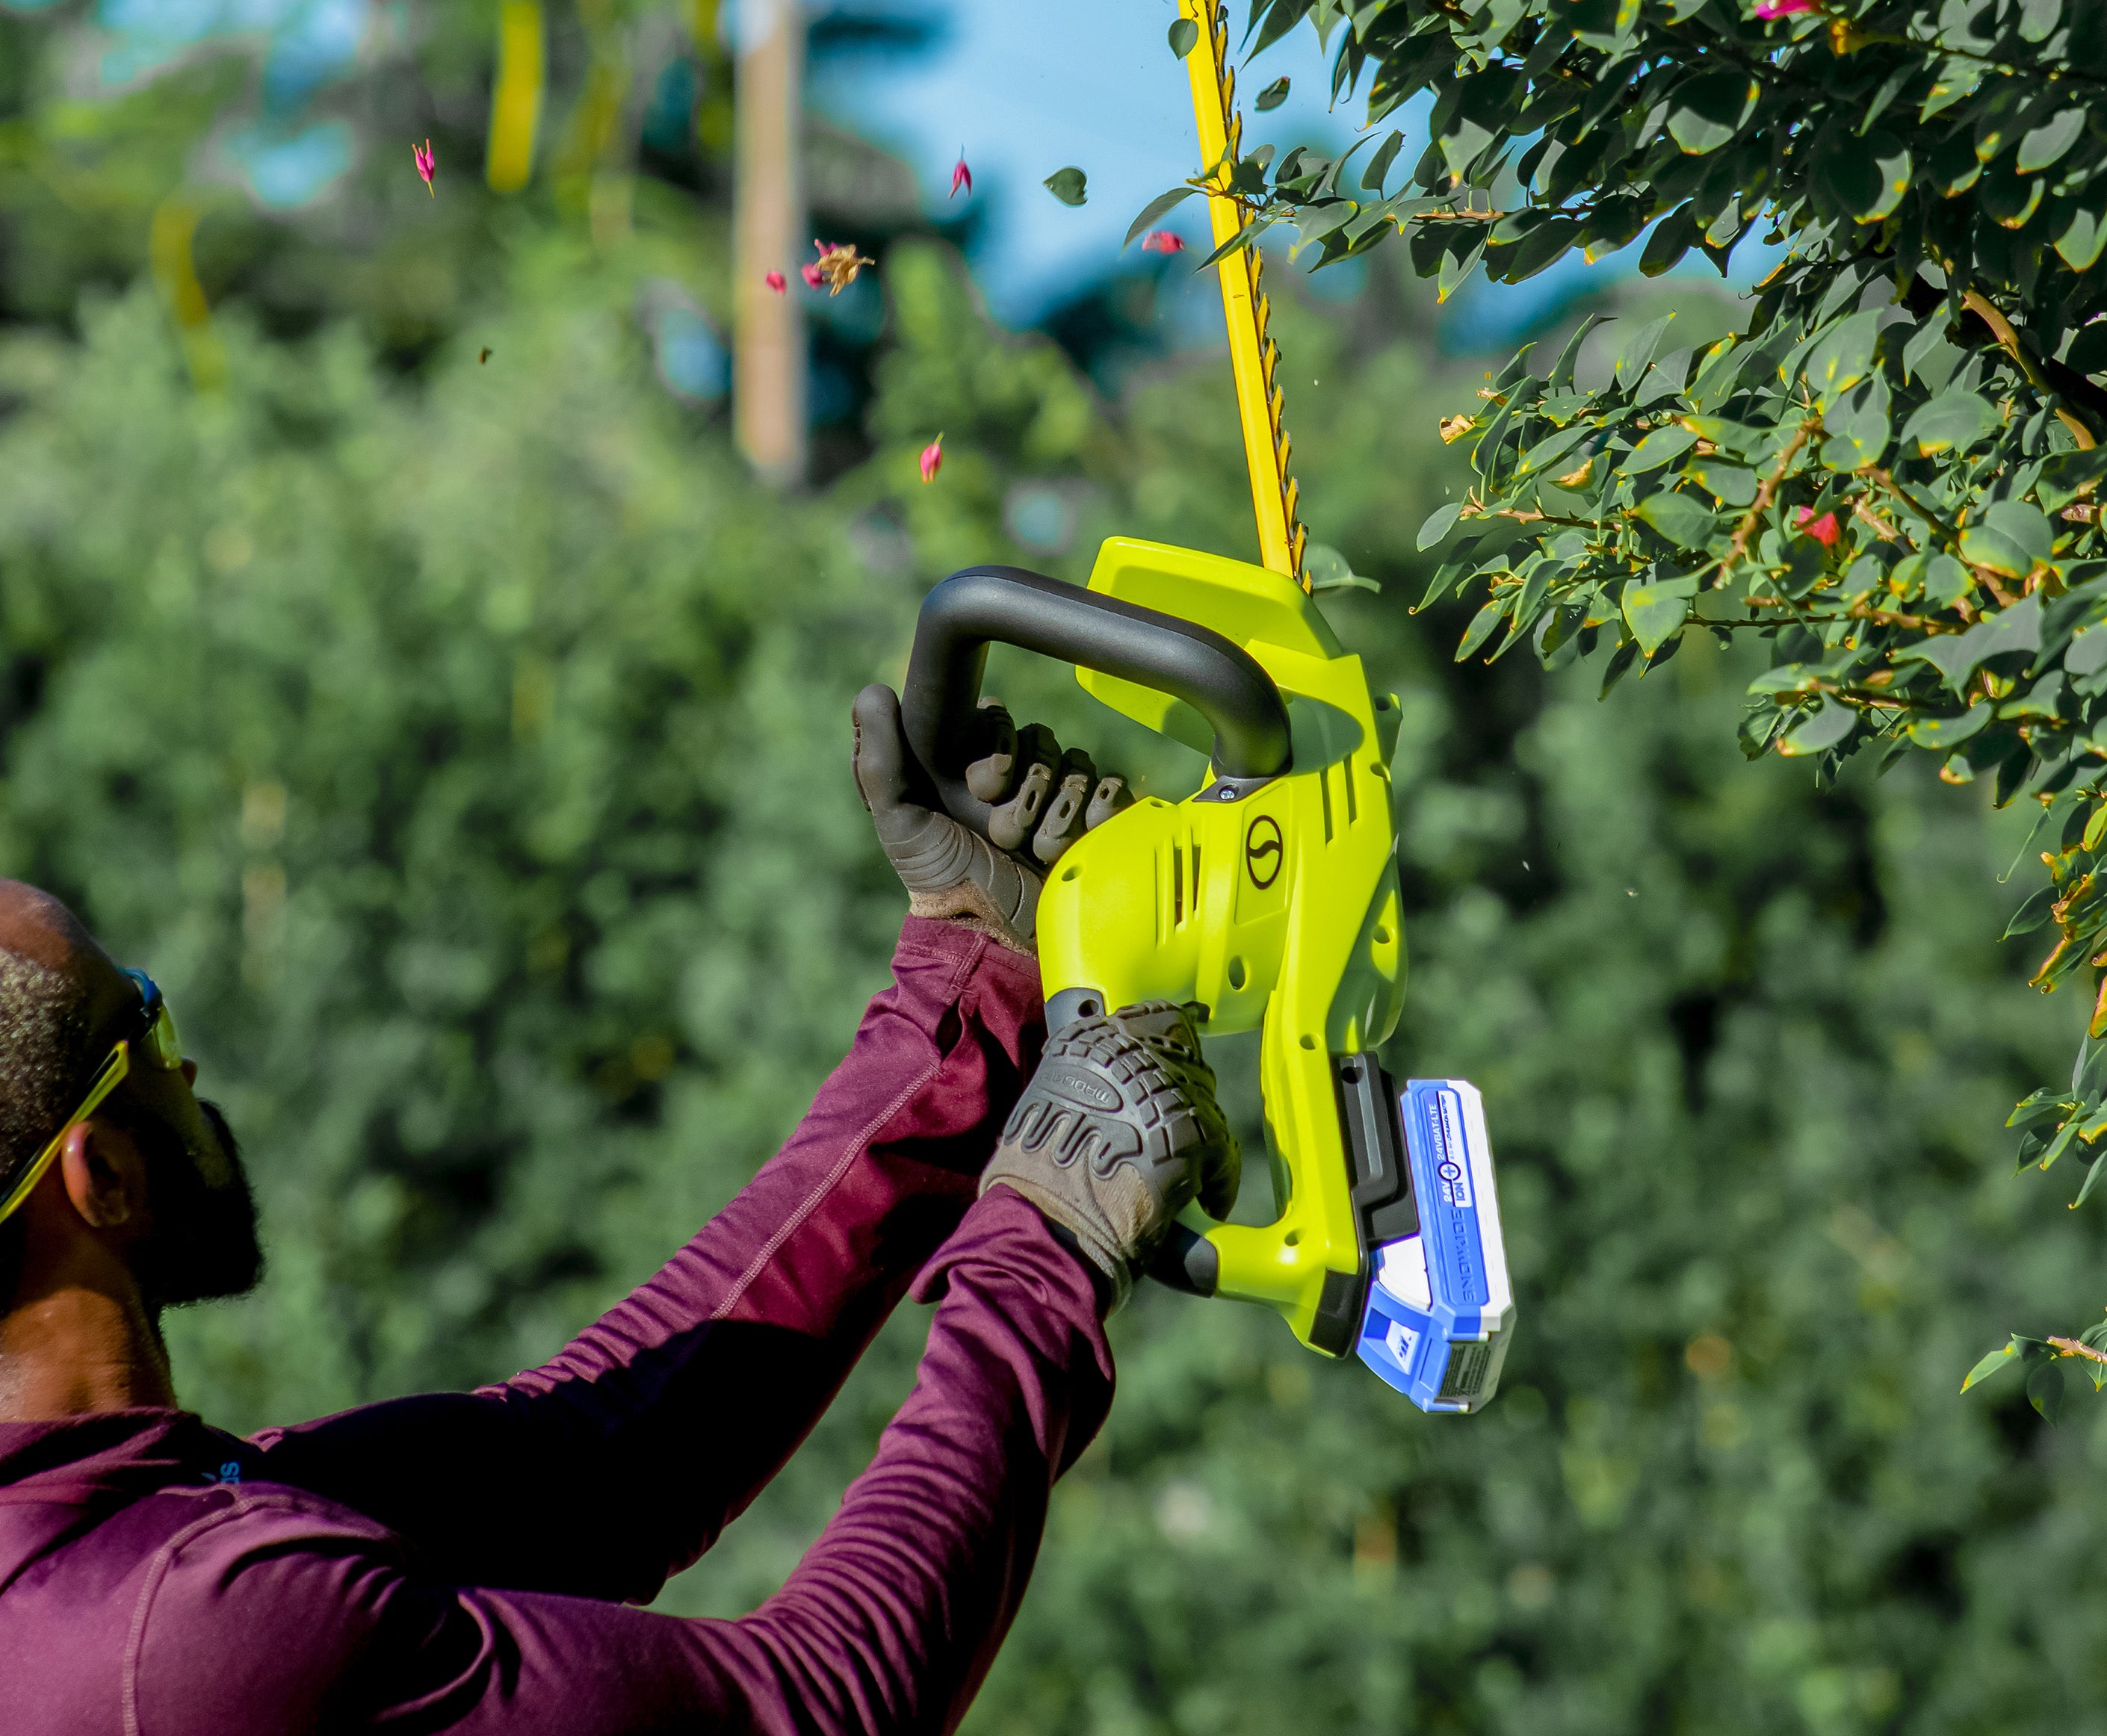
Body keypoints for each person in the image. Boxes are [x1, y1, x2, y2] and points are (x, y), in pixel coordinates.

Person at [0, 686, 1238, 1735]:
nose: (187, 1065)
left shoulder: (120, 1534)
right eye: (144, 1023)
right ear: (96, 1177)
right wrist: (1052, 1241)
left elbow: (599, 1457)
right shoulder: (180, 1637)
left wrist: (972, 979)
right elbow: (813, 1707)